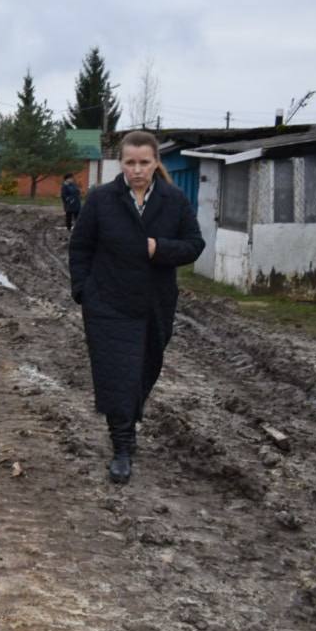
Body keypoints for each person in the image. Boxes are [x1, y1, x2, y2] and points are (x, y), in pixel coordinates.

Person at [68, 131, 204, 483]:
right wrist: (84, 291)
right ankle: (122, 446)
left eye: (144, 162)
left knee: (144, 370)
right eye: (130, 162)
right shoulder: (101, 199)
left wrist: (159, 248)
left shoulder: (173, 200)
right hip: (107, 303)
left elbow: (194, 245)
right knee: (117, 375)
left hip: (153, 305)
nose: (137, 169)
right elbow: (80, 247)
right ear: (121, 164)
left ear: (156, 162)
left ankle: (127, 422)